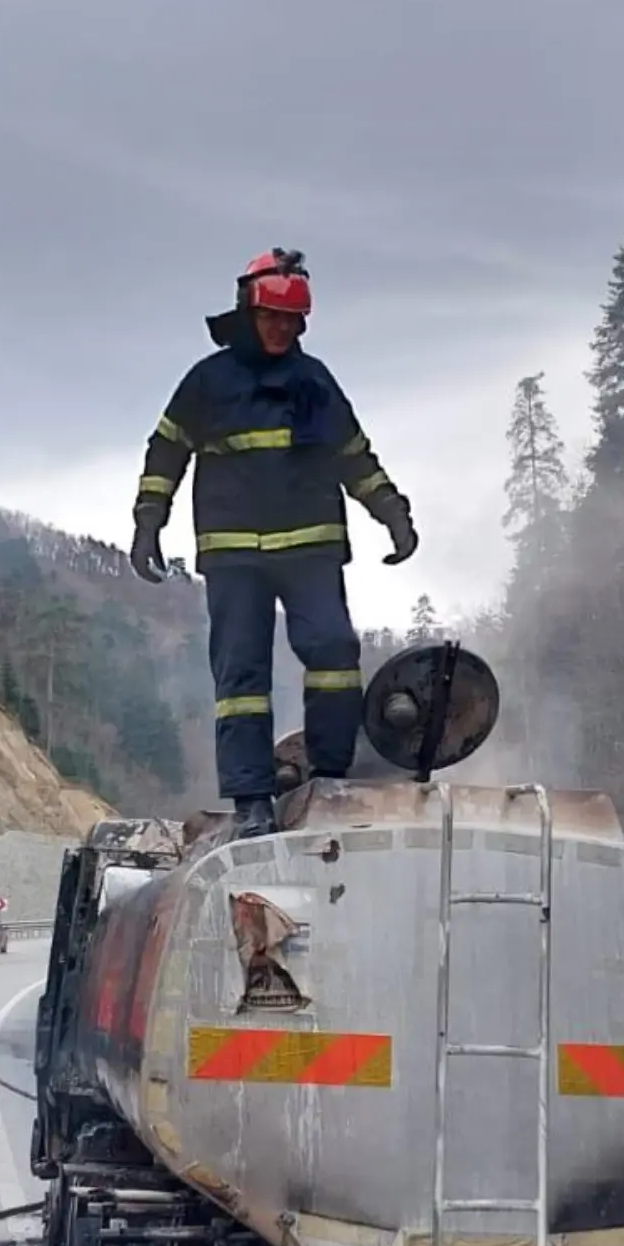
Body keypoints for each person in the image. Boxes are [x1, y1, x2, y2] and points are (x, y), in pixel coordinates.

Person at [130, 248, 417, 833]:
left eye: (293, 320)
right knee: (241, 678)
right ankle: (252, 802)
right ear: (248, 311)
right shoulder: (208, 382)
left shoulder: (313, 382)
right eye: (273, 318)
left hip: (311, 548)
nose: (283, 329)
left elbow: (353, 455)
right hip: (235, 555)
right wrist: (147, 521)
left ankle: (331, 778)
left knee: (334, 652)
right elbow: (166, 451)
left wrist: (392, 513)